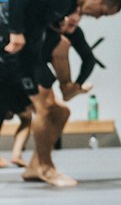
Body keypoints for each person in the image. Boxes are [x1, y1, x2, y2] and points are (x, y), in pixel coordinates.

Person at [17, 15, 99, 188]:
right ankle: (45, 168)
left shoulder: (73, 33)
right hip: (16, 69)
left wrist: (75, 85)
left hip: (34, 73)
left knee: (61, 112)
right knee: (46, 108)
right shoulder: (43, 28)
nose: (73, 22)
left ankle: (35, 166)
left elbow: (89, 59)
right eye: (68, 18)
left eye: (79, 17)